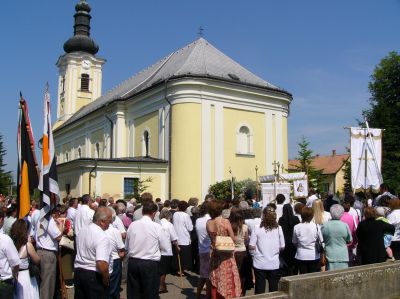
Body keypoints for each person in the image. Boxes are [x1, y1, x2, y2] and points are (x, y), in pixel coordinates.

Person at [125, 201, 169, 298]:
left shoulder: (133, 225)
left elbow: (127, 246)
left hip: (133, 262)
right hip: (149, 264)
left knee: (133, 293)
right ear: (153, 213)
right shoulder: (157, 227)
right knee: (150, 293)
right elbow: (165, 247)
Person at [74, 207, 112, 299]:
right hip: (93, 276)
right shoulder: (102, 237)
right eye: (109, 221)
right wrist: (106, 278)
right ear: (102, 221)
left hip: (79, 272)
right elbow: (101, 262)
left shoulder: (83, 230)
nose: (110, 224)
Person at [207, 200, 241, 298]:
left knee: (215, 277)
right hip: (226, 255)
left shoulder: (208, 223)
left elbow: (211, 238)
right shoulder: (225, 221)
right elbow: (233, 238)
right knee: (227, 277)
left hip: (214, 254)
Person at [249, 207, 285, 294]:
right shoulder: (279, 228)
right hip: (273, 263)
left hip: (259, 262)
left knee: (259, 289)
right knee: (273, 289)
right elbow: (283, 246)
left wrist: (254, 254)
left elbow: (251, 246)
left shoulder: (257, 227)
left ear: (263, 216)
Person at [35, 208, 62, 299]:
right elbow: (58, 236)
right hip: (47, 253)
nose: (58, 214)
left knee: (43, 283)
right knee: (47, 285)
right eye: (57, 212)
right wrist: (60, 225)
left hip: (40, 251)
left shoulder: (40, 218)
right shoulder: (48, 220)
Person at [10, 219, 40, 299]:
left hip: (14, 276)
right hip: (26, 277)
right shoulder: (28, 245)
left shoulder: (11, 243)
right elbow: (37, 260)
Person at [292, 207, 323, 274]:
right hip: (314, 255)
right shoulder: (316, 226)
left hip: (301, 255)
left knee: (303, 275)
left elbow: (294, 242)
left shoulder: (297, 227)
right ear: (312, 216)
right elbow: (321, 241)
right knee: (313, 276)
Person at [321, 205, 352, 270]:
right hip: (342, 255)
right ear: (341, 214)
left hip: (330, 255)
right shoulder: (345, 225)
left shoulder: (325, 225)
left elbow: (322, 239)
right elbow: (349, 240)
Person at [105, 207, 126, 299]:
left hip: (99, 260)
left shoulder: (91, 229)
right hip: (114, 260)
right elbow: (121, 249)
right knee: (113, 287)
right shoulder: (114, 231)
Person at [0, 210, 21, 298]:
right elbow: (16, 263)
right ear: (1, 220)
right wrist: (13, 274)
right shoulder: (5, 240)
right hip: (4, 284)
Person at [229, 207, 249, 295]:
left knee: (232, 274)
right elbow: (246, 239)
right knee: (242, 274)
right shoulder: (244, 227)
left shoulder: (229, 226)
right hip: (242, 251)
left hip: (232, 252)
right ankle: (242, 292)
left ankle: (233, 291)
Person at [159, 209, 179, 293]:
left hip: (156, 249)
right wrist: (177, 247)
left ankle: (161, 285)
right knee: (164, 270)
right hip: (166, 249)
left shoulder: (157, 223)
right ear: (168, 217)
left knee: (159, 269)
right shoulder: (169, 224)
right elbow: (174, 238)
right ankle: (161, 285)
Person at [195, 202, 212, 299]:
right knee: (209, 275)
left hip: (201, 249)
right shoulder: (210, 220)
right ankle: (207, 296)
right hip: (209, 249)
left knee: (203, 274)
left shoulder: (198, 220)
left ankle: (198, 295)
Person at [278, 203, 300, 276]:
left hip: (284, 242)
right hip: (293, 242)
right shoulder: (296, 219)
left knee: (285, 260)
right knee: (293, 260)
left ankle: (286, 273)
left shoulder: (281, 220)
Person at [173, 200, 193, 273]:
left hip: (177, 237)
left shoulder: (175, 214)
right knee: (184, 256)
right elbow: (190, 227)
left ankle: (178, 269)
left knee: (178, 255)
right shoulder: (186, 215)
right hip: (184, 238)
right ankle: (182, 269)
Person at [340, 199, 359, 266]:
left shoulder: (338, 217)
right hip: (350, 242)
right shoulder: (354, 217)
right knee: (349, 260)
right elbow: (356, 230)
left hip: (340, 242)